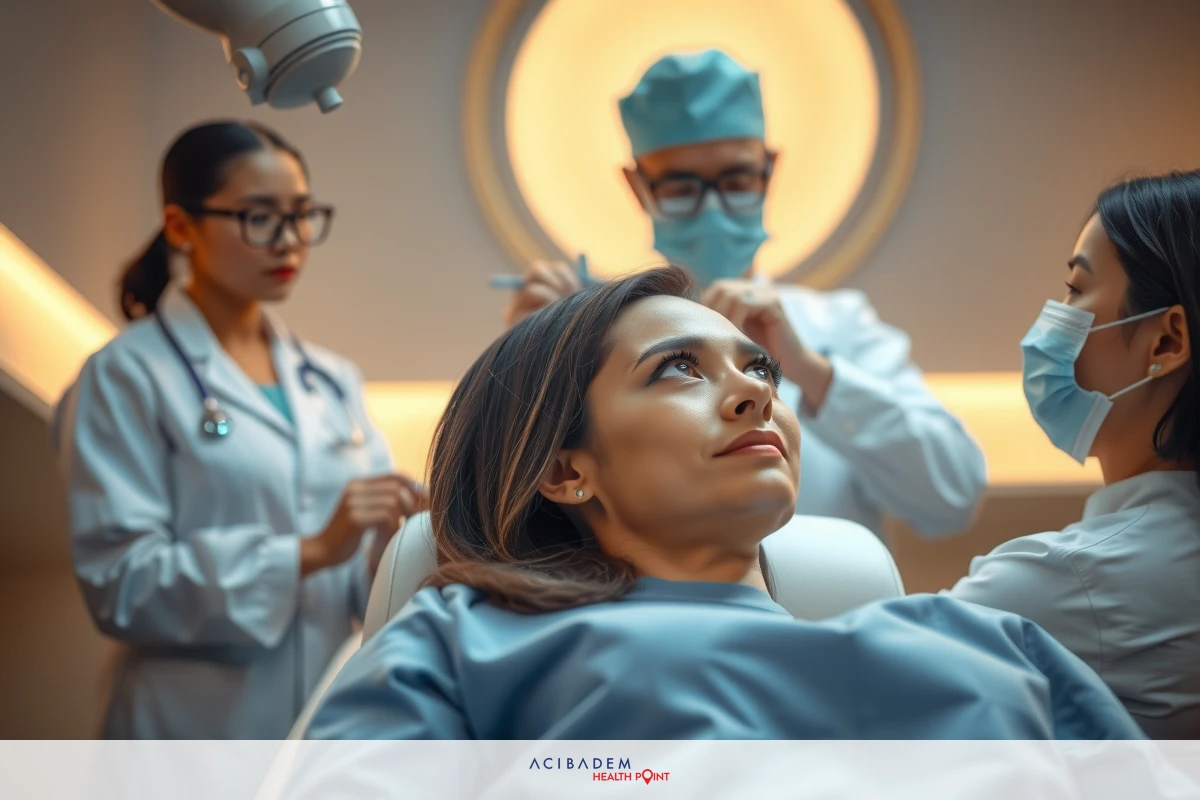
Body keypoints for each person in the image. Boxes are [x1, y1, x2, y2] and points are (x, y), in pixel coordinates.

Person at [304, 266, 1141, 741]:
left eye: (760, 370)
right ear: (564, 470)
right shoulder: (461, 645)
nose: (753, 395)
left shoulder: (991, 650)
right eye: (677, 368)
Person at [502, 49, 986, 540]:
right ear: (636, 186)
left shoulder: (837, 327)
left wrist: (810, 372)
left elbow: (953, 499)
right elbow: (522, 510)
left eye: (735, 180)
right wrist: (528, 367)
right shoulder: (598, 342)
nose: (712, 209)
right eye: (680, 187)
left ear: (768, 169)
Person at [50, 121, 427, 739]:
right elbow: (121, 585)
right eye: (259, 217)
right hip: (188, 733)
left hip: (322, 721)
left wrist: (392, 541)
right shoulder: (125, 375)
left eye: (303, 215)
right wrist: (310, 550)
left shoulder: (332, 380)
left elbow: (366, 595)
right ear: (180, 227)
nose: (290, 242)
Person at [948, 172, 1200, 739]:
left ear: (1165, 342)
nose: (1051, 318)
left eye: (1076, 289)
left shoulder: (1071, 582)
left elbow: (837, 686)